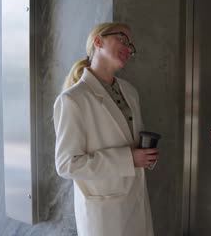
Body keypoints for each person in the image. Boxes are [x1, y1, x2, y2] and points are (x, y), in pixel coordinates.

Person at [53, 22, 157, 236]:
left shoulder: (129, 91)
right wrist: (129, 159)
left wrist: (145, 155)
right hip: (104, 213)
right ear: (98, 41)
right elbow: (66, 164)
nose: (129, 48)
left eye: (131, 46)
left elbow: (130, 143)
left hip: (136, 201)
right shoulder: (72, 99)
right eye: (123, 39)